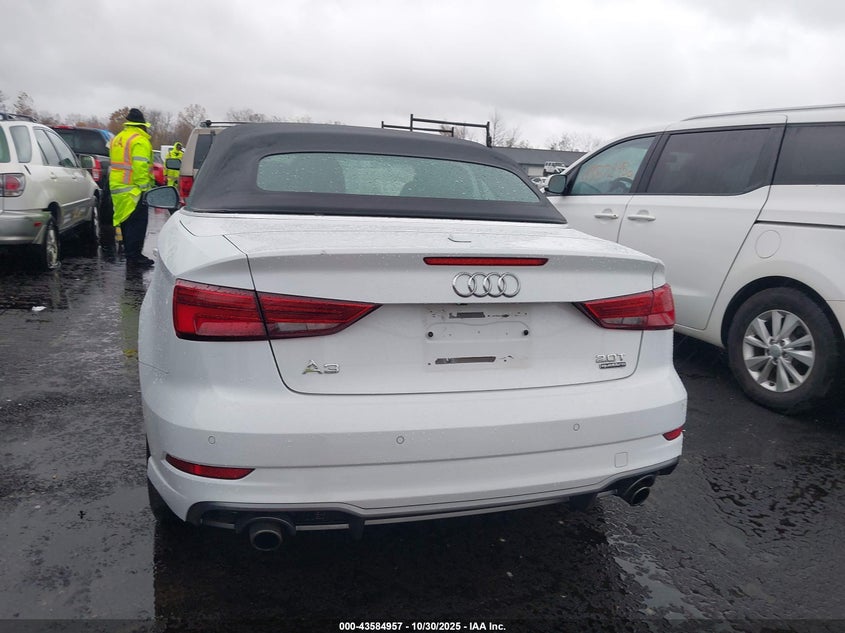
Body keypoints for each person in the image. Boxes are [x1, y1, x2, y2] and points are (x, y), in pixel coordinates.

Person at [109, 108, 155, 268]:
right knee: (138, 224)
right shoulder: (139, 140)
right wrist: (144, 187)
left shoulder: (118, 138)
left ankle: (130, 254)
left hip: (118, 188)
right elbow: (140, 165)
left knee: (126, 222)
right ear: (142, 125)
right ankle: (134, 256)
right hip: (134, 189)